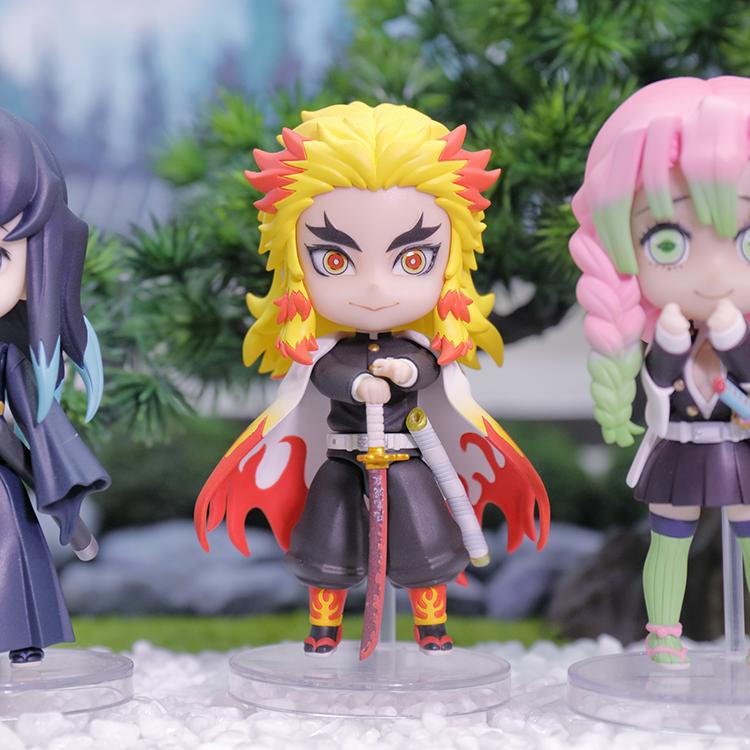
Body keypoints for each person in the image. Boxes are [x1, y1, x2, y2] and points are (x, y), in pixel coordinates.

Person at [196, 102, 549, 655]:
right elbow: (326, 373)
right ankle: (324, 628)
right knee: (329, 539)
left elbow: (426, 367)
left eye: (413, 260)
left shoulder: (416, 348)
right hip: (344, 457)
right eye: (335, 261)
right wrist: (358, 386)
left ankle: (431, 626)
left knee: (424, 538)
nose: (377, 289)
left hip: (406, 456)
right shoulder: (327, 352)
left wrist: (406, 370)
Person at [571, 76, 750, 666]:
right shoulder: (666, 334)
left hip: (740, 450)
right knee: (669, 539)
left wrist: (736, 344)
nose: (714, 274)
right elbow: (658, 388)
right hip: (682, 448)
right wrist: (670, 349)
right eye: (668, 242)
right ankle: (664, 634)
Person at [0, 109, 110, 665]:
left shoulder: (7, 352)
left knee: (7, 540)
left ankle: (21, 635)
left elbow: (33, 420)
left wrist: (54, 481)